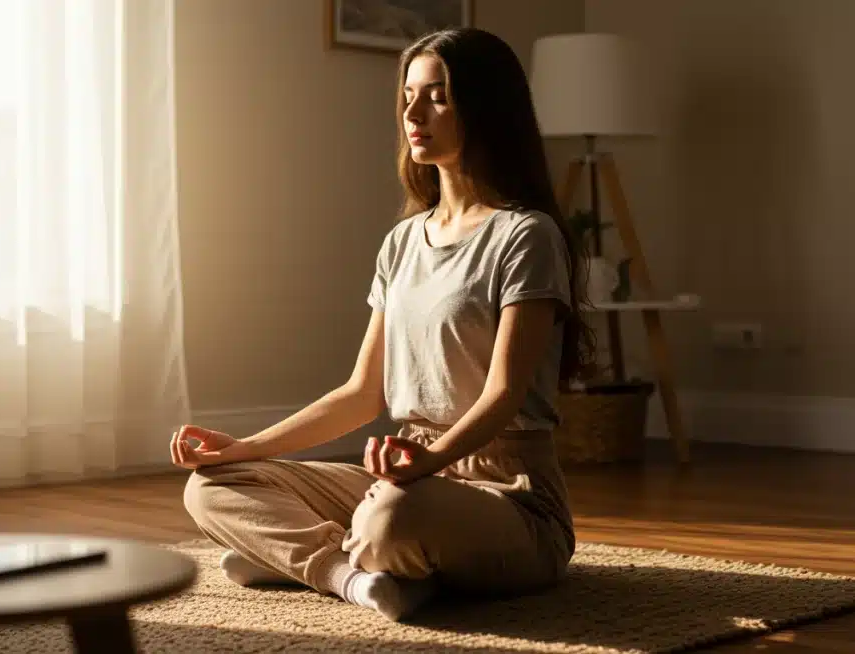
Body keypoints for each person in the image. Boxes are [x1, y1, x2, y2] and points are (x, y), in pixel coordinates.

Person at [174, 27, 595, 622]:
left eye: (438, 95)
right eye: (408, 95)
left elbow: (502, 396)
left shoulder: (526, 236)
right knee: (213, 487)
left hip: (509, 495)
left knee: (389, 517)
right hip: (406, 473)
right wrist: (243, 448)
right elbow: (360, 394)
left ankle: (302, 561)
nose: (413, 113)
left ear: (487, 107)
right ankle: (349, 574)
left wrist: (428, 464)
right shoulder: (402, 243)